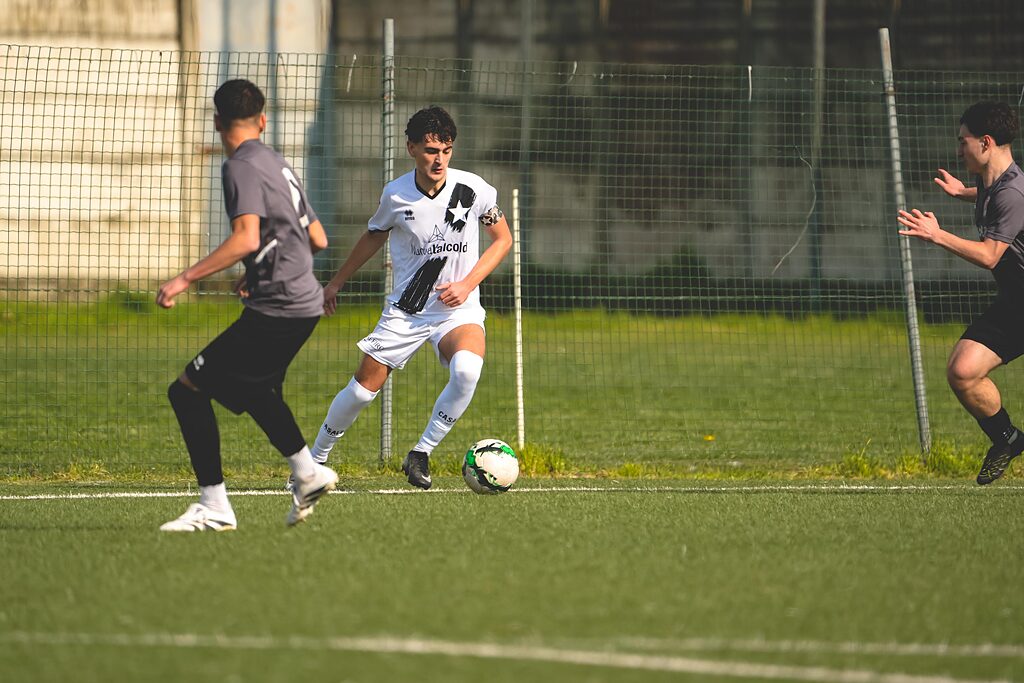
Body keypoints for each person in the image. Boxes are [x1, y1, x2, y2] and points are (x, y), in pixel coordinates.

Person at [156, 79, 338, 530]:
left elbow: (246, 238)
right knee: (255, 388)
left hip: (279, 306)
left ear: (217, 122)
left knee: (186, 390)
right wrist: (258, 270)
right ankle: (307, 473)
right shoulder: (277, 162)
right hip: (304, 302)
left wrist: (184, 279)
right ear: (262, 120)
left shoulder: (239, 166)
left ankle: (216, 506)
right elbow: (317, 238)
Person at [304, 105, 512, 489]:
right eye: (431, 150)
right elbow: (373, 236)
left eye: (446, 150)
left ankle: (421, 452)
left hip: (457, 310)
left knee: (467, 370)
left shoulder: (474, 189)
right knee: (361, 393)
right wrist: (335, 284)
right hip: (407, 312)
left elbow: (503, 240)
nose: (439, 159)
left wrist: (467, 284)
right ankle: (313, 462)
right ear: (411, 148)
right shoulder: (396, 194)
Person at [897, 101, 1024, 485]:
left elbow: (989, 256)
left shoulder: (1012, 193)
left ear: (985, 142)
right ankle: (1008, 439)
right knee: (962, 371)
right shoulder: (991, 182)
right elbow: (990, 196)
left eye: (962, 141)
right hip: (1016, 304)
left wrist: (937, 235)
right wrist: (961, 192)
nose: (958, 150)